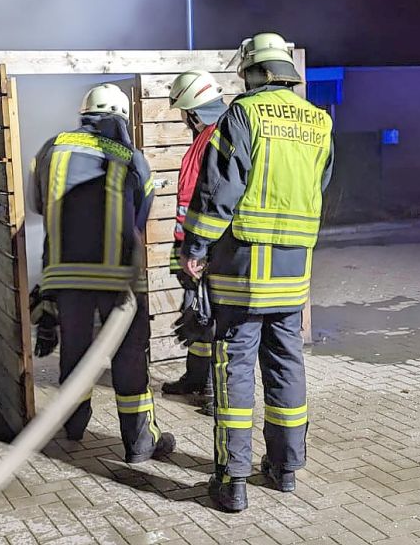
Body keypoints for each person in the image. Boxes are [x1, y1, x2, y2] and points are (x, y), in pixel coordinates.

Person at [179, 33, 334, 511]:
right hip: (293, 274)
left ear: (256, 71)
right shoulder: (320, 121)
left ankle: (233, 480)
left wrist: (196, 247)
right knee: (288, 366)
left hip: (243, 272)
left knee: (235, 372)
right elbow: (321, 182)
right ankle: (286, 469)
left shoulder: (243, 115)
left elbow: (220, 187)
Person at [30, 83, 176, 463]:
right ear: (122, 117)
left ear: (84, 114)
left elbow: (39, 204)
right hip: (119, 278)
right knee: (129, 357)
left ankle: (74, 426)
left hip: (65, 275)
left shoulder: (51, 149)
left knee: (75, 353)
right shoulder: (131, 156)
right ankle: (140, 444)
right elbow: (142, 212)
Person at [160, 70, 227, 416]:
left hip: (206, 249)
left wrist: (197, 252)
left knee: (212, 319)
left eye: (184, 113)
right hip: (192, 246)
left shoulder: (217, 138)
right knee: (197, 316)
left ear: (194, 111)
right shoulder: (207, 138)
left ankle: (218, 395)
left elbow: (209, 197)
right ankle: (196, 378)